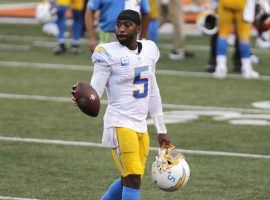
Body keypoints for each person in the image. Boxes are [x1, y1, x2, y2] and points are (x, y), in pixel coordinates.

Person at [72, 10, 170, 200]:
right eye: (118, 25)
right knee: (133, 177)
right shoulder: (107, 52)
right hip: (119, 123)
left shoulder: (150, 49)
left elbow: (153, 89)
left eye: (127, 25)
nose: (121, 29)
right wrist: (82, 96)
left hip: (140, 124)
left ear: (139, 29)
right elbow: (95, 91)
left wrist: (161, 128)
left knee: (130, 178)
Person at [213, 0, 260, 79]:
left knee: (223, 35)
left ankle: (221, 67)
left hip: (225, 3)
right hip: (242, 3)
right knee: (244, 36)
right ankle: (246, 69)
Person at [85, 0, 150, 52]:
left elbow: (146, 13)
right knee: (105, 64)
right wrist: (91, 37)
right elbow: (90, 10)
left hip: (132, 36)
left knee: (131, 65)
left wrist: (143, 37)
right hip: (108, 34)